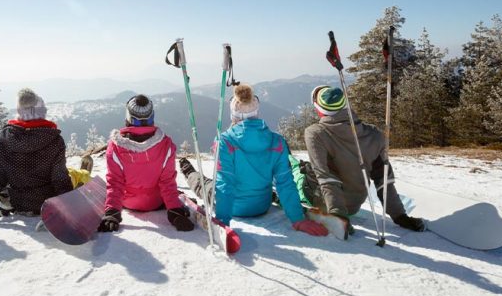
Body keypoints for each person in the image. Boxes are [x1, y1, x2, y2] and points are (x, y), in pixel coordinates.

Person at [179, 84, 327, 236]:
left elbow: (225, 186)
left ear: (233, 114)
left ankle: (188, 171)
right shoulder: (277, 141)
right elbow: (285, 182)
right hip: (263, 205)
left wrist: (222, 222)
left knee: (204, 184)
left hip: (235, 207)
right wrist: (298, 219)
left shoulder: (225, 141)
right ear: (256, 111)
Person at [299, 85, 425, 232]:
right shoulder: (374, 134)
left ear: (319, 109)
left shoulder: (315, 133)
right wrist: (400, 216)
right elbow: (384, 181)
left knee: (294, 170)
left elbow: (325, 177)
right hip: (354, 205)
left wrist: (338, 216)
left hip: (325, 202)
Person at [0, 88, 74, 221]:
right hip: (48, 204)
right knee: (74, 176)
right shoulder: (54, 140)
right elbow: (60, 180)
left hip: (19, 204)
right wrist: (71, 210)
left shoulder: (4, 141)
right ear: (42, 113)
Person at [97, 94, 194, 233]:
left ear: (128, 117)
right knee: (167, 185)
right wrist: (175, 211)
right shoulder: (166, 145)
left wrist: (112, 212)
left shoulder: (115, 147)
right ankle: (176, 201)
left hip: (128, 203)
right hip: (156, 202)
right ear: (151, 117)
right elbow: (167, 182)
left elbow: (115, 183)